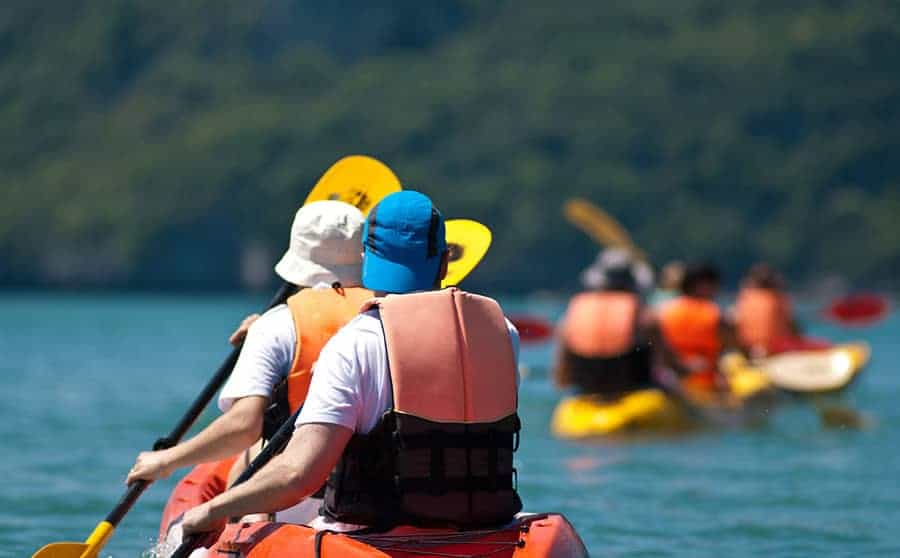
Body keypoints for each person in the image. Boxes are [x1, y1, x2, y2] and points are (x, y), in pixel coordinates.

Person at [179, 190, 522, 536]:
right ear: (446, 261)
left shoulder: (354, 344)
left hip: (374, 536)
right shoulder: (503, 333)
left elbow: (299, 475)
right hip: (484, 531)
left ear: (367, 260)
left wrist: (213, 509)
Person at [127, 200, 374, 524]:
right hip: (375, 497)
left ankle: (235, 532)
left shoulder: (275, 325)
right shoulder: (391, 316)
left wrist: (166, 461)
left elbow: (244, 426)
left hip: (294, 495)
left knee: (255, 449)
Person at [554, 248, 655, 396]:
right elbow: (662, 364)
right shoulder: (644, 315)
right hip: (634, 394)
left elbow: (561, 379)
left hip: (584, 397)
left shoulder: (570, 316)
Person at [656, 263, 735, 392]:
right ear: (701, 285)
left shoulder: (663, 311)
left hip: (674, 384)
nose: (716, 289)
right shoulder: (714, 314)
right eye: (713, 284)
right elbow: (729, 348)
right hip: (706, 384)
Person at [732, 263, 798, 358]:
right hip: (773, 349)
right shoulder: (778, 299)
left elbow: (734, 321)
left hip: (748, 349)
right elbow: (792, 327)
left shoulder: (745, 298)